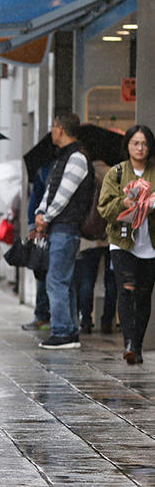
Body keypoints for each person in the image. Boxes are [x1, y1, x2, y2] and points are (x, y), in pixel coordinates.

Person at [34, 112, 94, 350]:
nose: (52, 131)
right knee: (63, 280)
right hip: (59, 226)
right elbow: (51, 191)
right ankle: (68, 330)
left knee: (57, 280)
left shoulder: (77, 158)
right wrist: (40, 213)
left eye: (53, 127)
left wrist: (45, 218)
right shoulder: (64, 158)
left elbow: (64, 194)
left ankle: (62, 331)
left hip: (66, 227)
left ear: (60, 128)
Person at [97, 124, 155, 364]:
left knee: (143, 295)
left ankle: (138, 345)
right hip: (122, 241)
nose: (140, 148)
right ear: (128, 145)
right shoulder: (117, 172)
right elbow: (104, 208)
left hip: (150, 244)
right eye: (135, 143)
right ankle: (129, 343)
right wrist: (126, 200)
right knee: (126, 289)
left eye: (144, 143)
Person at [71, 160, 117, 335]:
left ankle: (86, 322)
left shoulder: (87, 170)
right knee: (111, 281)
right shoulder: (115, 173)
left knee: (87, 280)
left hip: (89, 235)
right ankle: (107, 322)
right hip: (111, 235)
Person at [21, 163, 51, 331]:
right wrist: (34, 226)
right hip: (48, 229)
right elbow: (35, 200)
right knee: (44, 271)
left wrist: (34, 226)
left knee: (44, 272)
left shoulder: (44, 170)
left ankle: (43, 315)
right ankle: (43, 315)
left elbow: (34, 201)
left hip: (49, 229)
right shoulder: (44, 171)